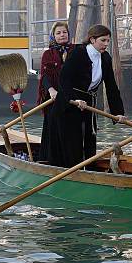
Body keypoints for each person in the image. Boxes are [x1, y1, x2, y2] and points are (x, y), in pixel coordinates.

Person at [46, 24, 126, 169]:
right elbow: (64, 79)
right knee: (72, 142)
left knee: (90, 138)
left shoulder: (106, 58)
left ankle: (90, 171)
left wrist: (118, 112)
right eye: (103, 40)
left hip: (88, 103)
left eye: (108, 41)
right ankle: (71, 171)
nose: (106, 44)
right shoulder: (78, 52)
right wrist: (75, 99)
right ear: (92, 40)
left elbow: (111, 87)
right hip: (68, 102)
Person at [36, 21, 74, 162]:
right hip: (53, 98)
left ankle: (70, 161)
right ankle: (51, 160)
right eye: (58, 33)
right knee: (53, 127)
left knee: (69, 130)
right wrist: (51, 90)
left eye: (64, 32)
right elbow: (44, 76)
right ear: (53, 36)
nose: (62, 35)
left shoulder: (74, 51)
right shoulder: (48, 54)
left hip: (71, 98)